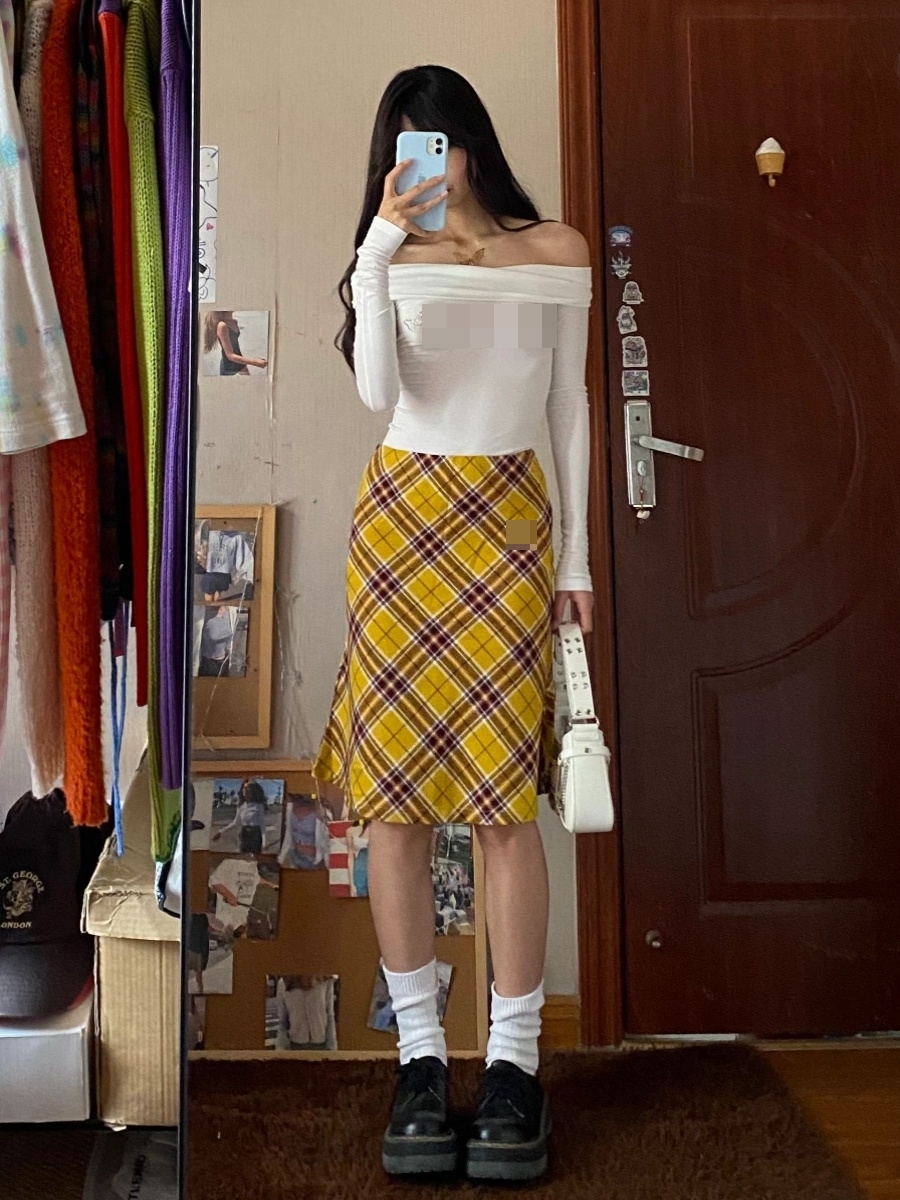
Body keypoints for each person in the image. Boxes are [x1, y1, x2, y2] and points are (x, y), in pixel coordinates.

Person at [311, 65, 594, 1184]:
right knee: (396, 803)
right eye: (405, 144)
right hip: (403, 524)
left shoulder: (556, 249)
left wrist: (577, 560)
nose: (426, 162)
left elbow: (568, 405)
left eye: (437, 140)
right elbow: (381, 395)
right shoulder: (390, 254)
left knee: (502, 804)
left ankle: (515, 1063)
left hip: (511, 519)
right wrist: (381, 246)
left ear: (471, 141)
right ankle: (421, 1063)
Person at [201, 310, 268, 376]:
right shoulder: (222, 325)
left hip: (239, 359)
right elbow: (230, 355)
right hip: (228, 366)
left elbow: (236, 347)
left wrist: (252, 361)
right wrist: (255, 362)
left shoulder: (234, 322)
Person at [278, 975, 337, 1049]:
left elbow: (330, 1015)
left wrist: (332, 1046)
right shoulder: (284, 983)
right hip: (296, 1044)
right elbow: (283, 1020)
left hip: (321, 1043)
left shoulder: (325, 980)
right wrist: (281, 1047)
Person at [212, 778, 269, 854]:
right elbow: (235, 822)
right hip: (244, 835)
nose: (245, 790)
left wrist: (264, 843)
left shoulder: (259, 806)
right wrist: (221, 832)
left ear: (253, 791)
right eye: (244, 788)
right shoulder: (241, 806)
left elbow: (262, 826)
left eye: (247, 788)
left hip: (255, 836)